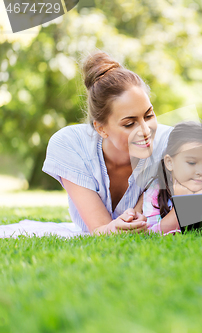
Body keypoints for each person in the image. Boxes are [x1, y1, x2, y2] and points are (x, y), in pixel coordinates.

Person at [42, 51, 172, 234]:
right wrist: (119, 226)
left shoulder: (171, 142)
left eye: (149, 115)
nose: (145, 130)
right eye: (129, 124)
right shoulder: (70, 144)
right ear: (101, 128)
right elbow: (100, 228)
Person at [136, 121, 202, 234]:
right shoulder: (156, 191)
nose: (201, 172)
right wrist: (182, 206)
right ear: (170, 162)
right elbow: (151, 234)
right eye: (191, 163)